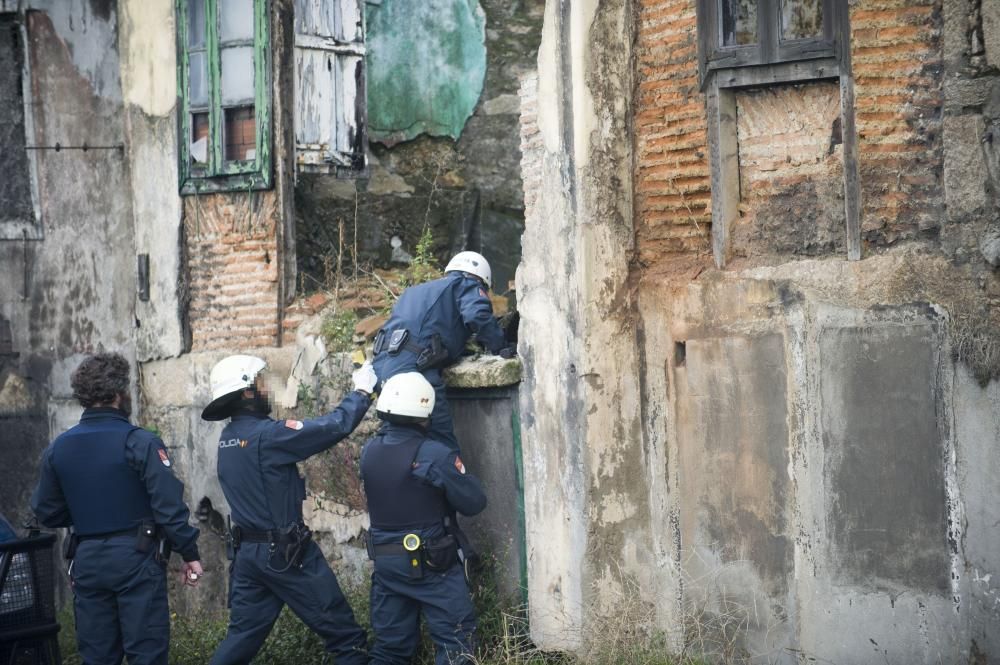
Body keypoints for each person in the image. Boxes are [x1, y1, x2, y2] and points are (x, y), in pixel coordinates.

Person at [203, 354, 377, 665]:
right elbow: (333, 426)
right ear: (247, 392)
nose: (266, 388)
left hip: (248, 558)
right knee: (347, 640)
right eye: (261, 382)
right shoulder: (268, 436)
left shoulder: (228, 438)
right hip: (285, 555)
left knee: (240, 641)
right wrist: (362, 392)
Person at [30, 353, 203, 665]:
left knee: (97, 657)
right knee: (146, 653)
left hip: (87, 559)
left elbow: (46, 511)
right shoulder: (140, 442)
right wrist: (189, 553)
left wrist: (86, 516)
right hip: (136, 556)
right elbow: (168, 507)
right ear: (119, 393)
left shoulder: (59, 447)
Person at [360, 372, 488, 665]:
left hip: (386, 566)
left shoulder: (370, 451)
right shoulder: (433, 453)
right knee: (457, 644)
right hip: (432, 565)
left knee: (389, 650)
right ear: (425, 411)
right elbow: (474, 503)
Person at [372, 251, 513, 450]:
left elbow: (426, 329)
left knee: (398, 440)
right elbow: (477, 315)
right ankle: (455, 480)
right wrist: (500, 346)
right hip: (413, 369)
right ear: (481, 278)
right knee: (441, 442)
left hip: (382, 366)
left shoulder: (415, 291)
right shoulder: (466, 284)